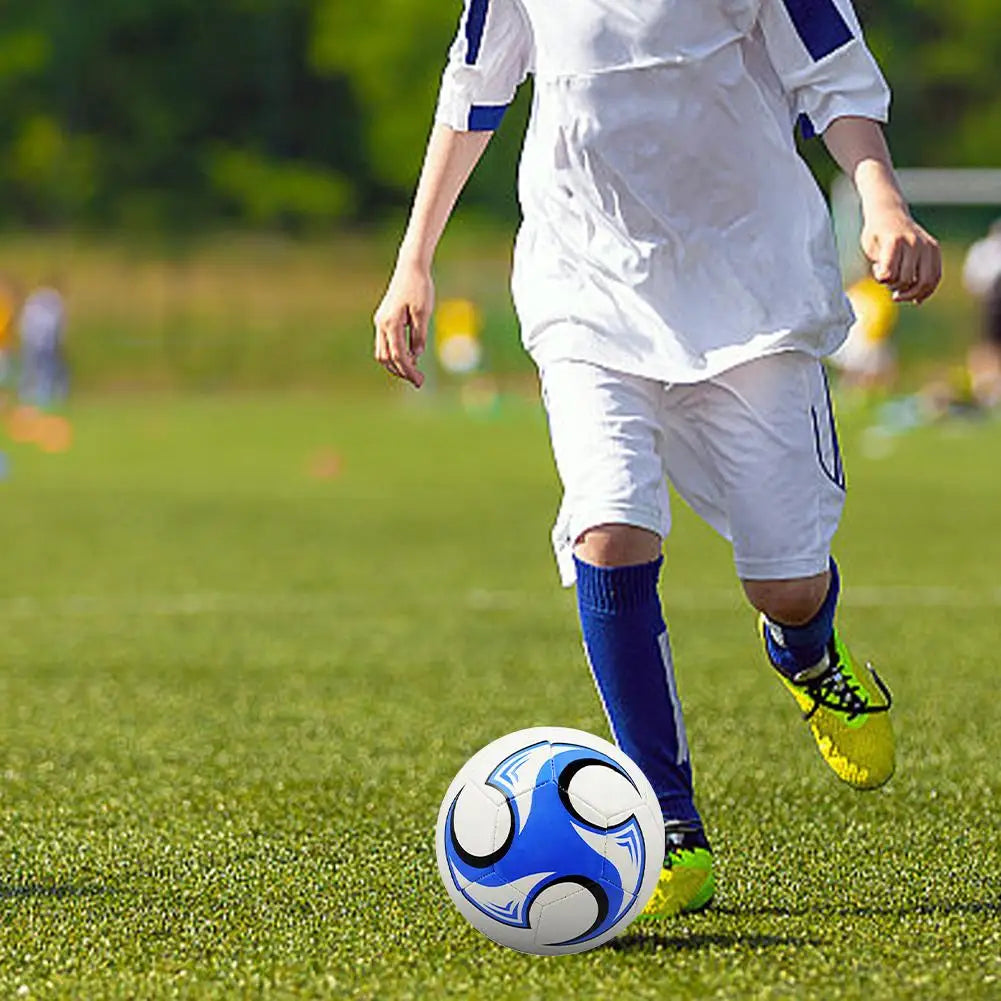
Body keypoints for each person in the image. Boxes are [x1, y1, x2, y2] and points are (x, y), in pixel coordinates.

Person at [374, 0, 941, 918]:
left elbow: (831, 72)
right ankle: (666, 825)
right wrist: (414, 262)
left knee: (785, 580)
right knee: (609, 527)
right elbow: (473, 90)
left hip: (750, 287)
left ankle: (805, 650)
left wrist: (880, 198)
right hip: (586, 285)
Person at [961, 220, 1001, 409]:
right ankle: (986, 392)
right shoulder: (985, 251)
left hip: (990, 302)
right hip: (992, 304)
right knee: (988, 348)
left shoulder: (983, 251)